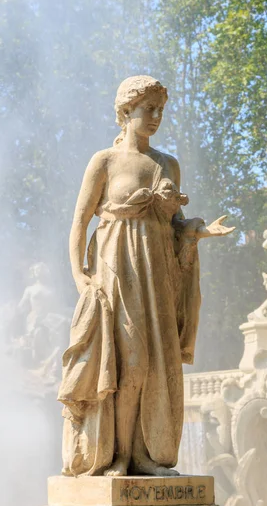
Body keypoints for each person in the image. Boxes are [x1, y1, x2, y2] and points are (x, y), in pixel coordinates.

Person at [58, 75, 234, 477]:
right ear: (125, 112)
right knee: (127, 365)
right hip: (116, 269)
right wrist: (79, 275)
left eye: (160, 109)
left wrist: (199, 231)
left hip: (157, 274)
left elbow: (175, 224)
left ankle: (145, 456)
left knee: (157, 365)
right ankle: (117, 456)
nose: (155, 117)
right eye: (147, 109)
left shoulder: (167, 163)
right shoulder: (105, 160)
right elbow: (79, 222)